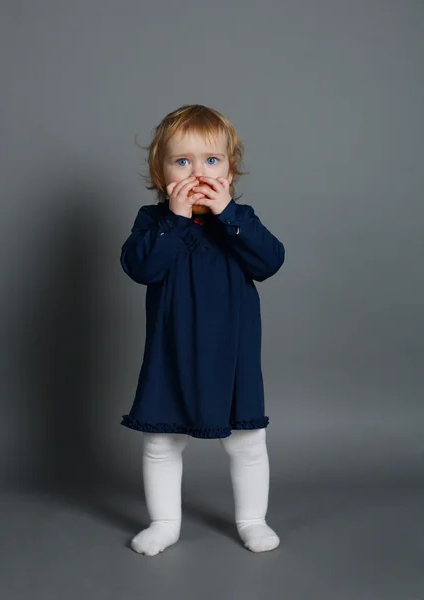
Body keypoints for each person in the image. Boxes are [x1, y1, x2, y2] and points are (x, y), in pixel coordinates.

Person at [120, 104, 285, 556]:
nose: (198, 172)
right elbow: (141, 268)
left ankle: (252, 520)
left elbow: (270, 261)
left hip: (232, 352)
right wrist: (173, 218)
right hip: (171, 350)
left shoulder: (239, 220)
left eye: (211, 160)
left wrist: (228, 212)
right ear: (161, 171)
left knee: (247, 442)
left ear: (231, 169)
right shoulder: (153, 223)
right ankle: (164, 522)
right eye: (182, 161)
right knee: (160, 441)